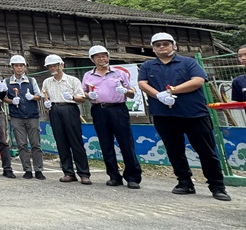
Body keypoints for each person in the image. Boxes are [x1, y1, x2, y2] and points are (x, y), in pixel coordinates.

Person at [138, 32, 230, 201]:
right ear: (153, 49)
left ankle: (217, 186)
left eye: (166, 44)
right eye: (157, 45)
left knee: (206, 151)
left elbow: (198, 81)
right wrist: (158, 95)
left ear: (174, 45)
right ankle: (184, 182)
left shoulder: (188, 62)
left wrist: (172, 91)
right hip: (164, 114)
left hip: (193, 114)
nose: (162, 47)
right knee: (174, 150)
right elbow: (142, 83)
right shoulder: (148, 66)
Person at [83, 45, 142, 189]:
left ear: (108, 57)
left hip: (118, 109)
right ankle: (114, 176)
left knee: (126, 143)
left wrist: (125, 91)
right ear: (92, 59)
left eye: (104, 56)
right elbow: (82, 92)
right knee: (105, 143)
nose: (101, 59)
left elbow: (132, 92)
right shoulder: (88, 75)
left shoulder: (119, 73)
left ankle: (133, 177)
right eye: (98, 57)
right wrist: (89, 95)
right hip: (99, 110)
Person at [41, 54, 91, 184]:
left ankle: (84, 173)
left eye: (54, 65)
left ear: (61, 65)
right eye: (49, 66)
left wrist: (72, 97)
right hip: (54, 109)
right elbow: (45, 96)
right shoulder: (47, 82)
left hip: (70, 108)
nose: (52, 68)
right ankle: (68, 173)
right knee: (61, 142)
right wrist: (46, 102)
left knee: (76, 141)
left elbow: (82, 98)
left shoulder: (72, 80)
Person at [3, 55, 44, 180]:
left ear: (25, 67)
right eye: (16, 66)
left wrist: (32, 97)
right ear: (12, 67)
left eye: (21, 65)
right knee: (22, 144)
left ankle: (38, 170)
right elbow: (3, 97)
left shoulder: (31, 81)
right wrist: (11, 101)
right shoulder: (7, 82)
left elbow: (39, 96)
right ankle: (27, 170)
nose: (19, 68)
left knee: (36, 144)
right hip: (16, 116)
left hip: (32, 116)